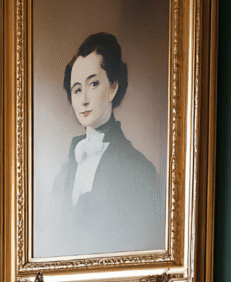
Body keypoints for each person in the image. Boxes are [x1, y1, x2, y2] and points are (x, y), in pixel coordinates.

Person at [45, 32, 164, 258]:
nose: (84, 99)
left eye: (94, 84)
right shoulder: (64, 171)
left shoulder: (139, 170)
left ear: (113, 87)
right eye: (77, 89)